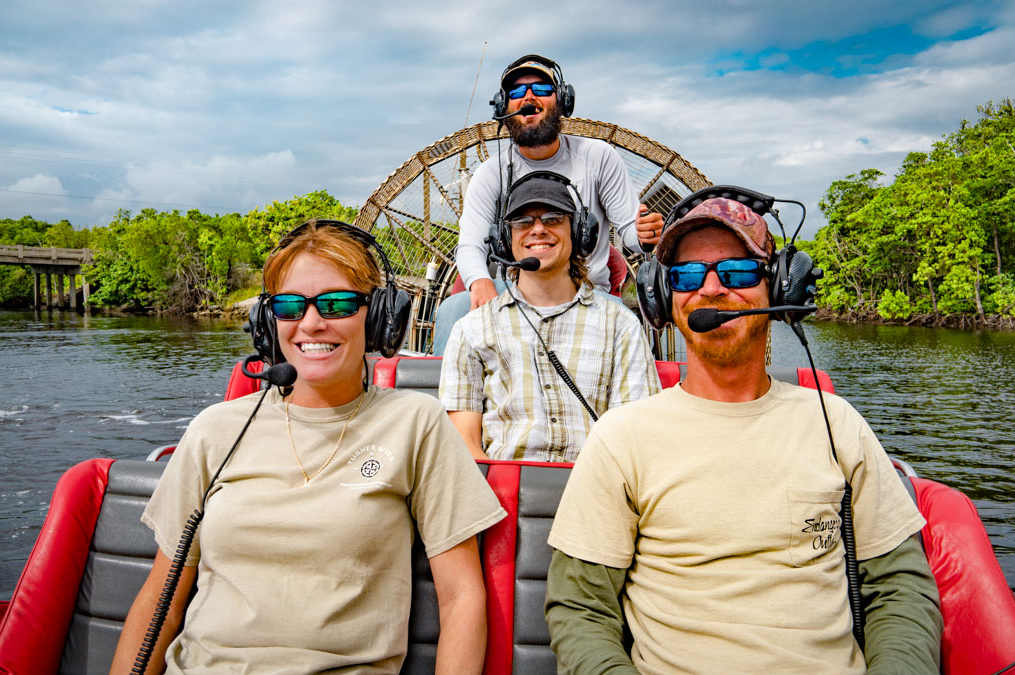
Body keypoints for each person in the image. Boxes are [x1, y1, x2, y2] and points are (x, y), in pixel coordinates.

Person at [544, 197, 943, 673]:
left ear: (778, 285)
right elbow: (580, 609)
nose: (710, 289)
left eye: (736, 272)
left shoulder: (837, 422)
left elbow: (900, 587)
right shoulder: (620, 437)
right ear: (660, 297)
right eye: (686, 277)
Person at [110, 220, 506, 674]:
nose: (312, 324)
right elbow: (160, 600)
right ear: (267, 321)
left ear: (378, 317)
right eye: (290, 306)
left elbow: (461, 597)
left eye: (337, 303)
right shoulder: (215, 430)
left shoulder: (417, 422)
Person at [432, 54, 665, 355]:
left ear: (563, 101)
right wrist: (479, 283)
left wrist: (644, 232)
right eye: (516, 92)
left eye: (541, 89)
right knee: (454, 309)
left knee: (624, 320)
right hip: (515, 293)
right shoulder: (490, 173)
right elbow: (469, 243)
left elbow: (630, 234)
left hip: (588, 294)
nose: (528, 96)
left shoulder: (598, 158)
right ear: (504, 107)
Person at [439, 172, 660, 463]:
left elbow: (634, 438)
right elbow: (463, 446)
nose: (538, 229)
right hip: (502, 495)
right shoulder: (471, 329)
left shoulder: (620, 325)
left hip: (596, 490)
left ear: (580, 232)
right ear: (505, 240)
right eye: (523, 222)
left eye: (554, 218)